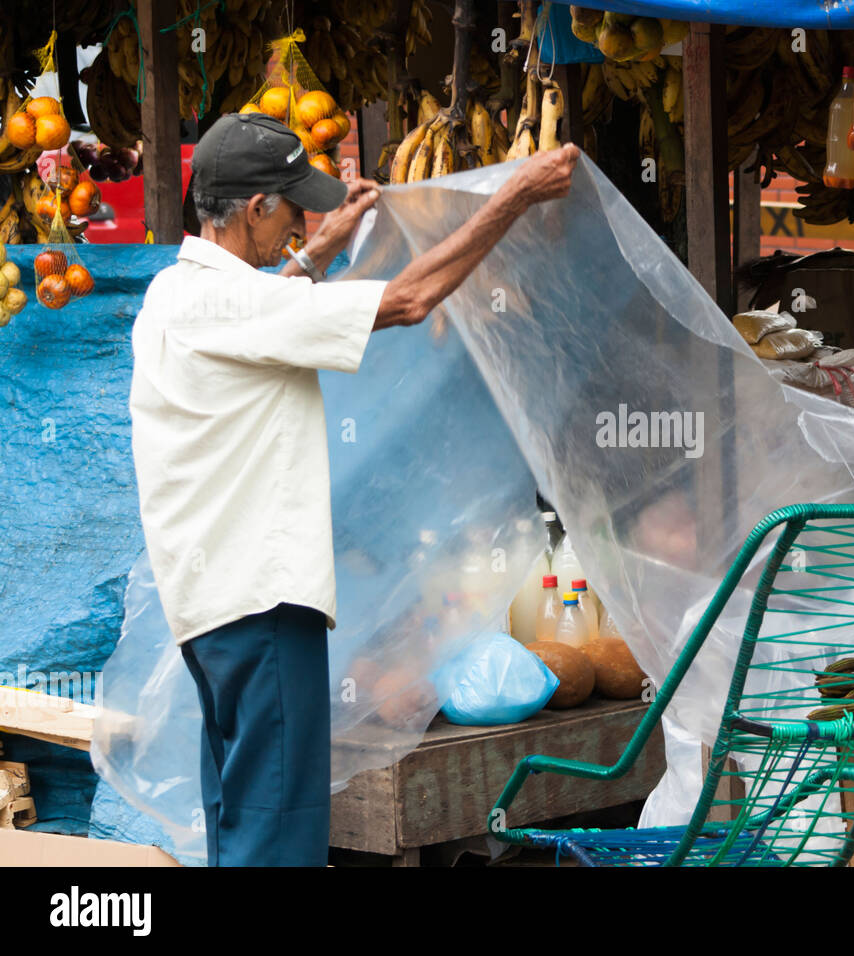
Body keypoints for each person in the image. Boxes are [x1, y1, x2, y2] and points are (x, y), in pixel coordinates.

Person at [128, 111, 579, 866]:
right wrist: (516, 198)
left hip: (211, 616)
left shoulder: (176, 296)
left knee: (241, 822)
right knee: (277, 837)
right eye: (292, 206)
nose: (300, 219)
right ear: (255, 209)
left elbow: (264, 309)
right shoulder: (236, 307)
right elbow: (408, 301)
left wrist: (317, 252)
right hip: (262, 607)